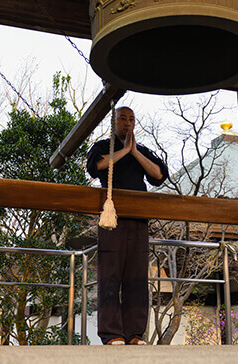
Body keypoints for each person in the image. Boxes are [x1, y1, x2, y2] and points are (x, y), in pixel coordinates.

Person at [86, 106, 168, 345]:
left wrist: (134, 152)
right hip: (112, 219)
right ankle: (112, 334)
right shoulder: (102, 147)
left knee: (137, 276)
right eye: (122, 118)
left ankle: (134, 333)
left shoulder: (142, 150)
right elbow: (96, 167)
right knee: (110, 274)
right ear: (113, 121)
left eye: (131, 119)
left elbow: (159, 175)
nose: (127, 122)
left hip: (139, 218)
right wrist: (124, 151)